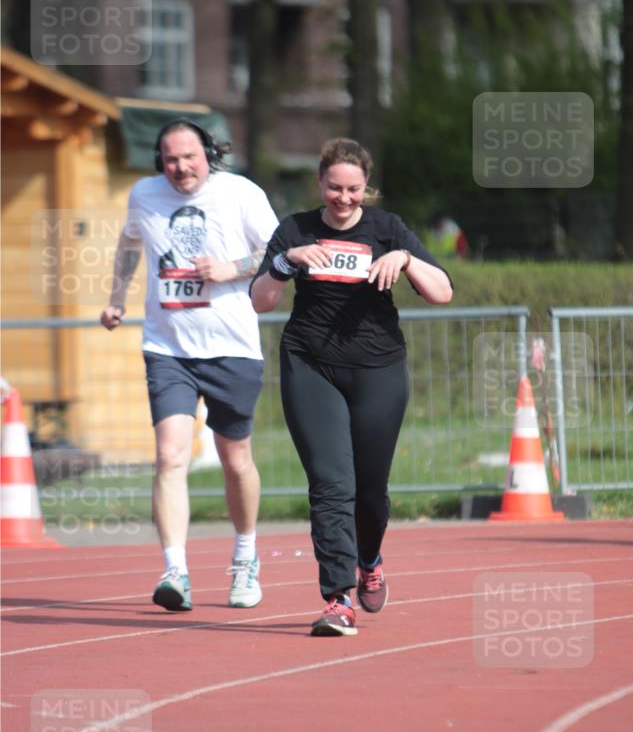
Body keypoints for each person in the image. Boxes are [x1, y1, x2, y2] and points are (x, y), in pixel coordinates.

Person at [251, 138, 453, 637]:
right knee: (331, 485)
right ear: (320, 184)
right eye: (335, 188)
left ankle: (370, 558)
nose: (344, 198)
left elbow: (443, 292)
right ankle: (338, 599)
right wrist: (284, 262)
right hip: (310, 364)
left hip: (378, 368)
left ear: (367, 189)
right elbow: (261, 301)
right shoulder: (295, 229)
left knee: (370, 492)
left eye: (354, 190)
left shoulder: (387, 230)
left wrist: (405, 260)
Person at [101, 119, 279, 612]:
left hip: (231, 347)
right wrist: (116, 299)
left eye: (189, 157)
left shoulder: (240, 193)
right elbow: (129, 244)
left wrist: (232, 269)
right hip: (168, 348)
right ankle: (175, 570)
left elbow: (277, 250)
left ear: (209, 154)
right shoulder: (145, 194)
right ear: (161, 160)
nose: (180, 168)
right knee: (170, 456)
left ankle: (245, 556)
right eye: (171, 159)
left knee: (234, 458)